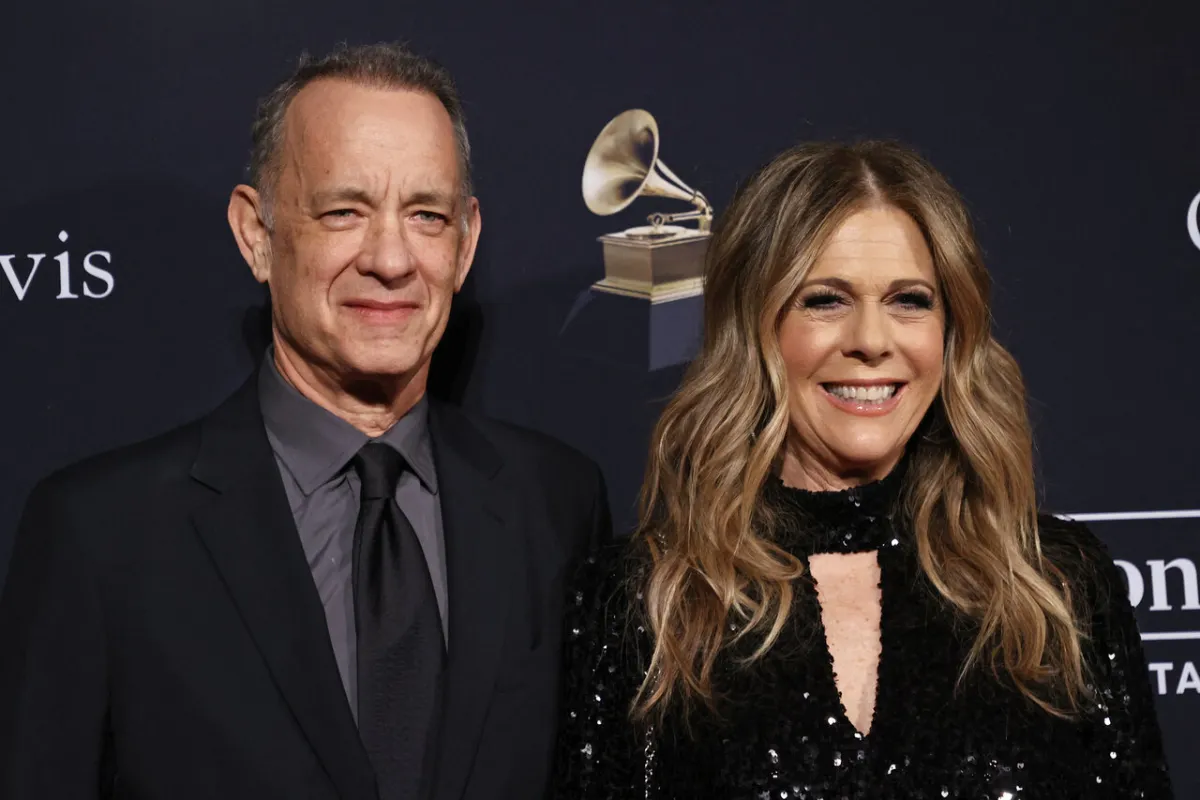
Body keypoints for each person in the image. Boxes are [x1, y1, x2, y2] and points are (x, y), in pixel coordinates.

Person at [0, 43, 610, 800]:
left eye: (426, 215)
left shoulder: (556, 504)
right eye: (343, 211)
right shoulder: (100, 534)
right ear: (257, 234)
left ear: (465, 242)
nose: (390, 258)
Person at [553, 141, 1172, 798]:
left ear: (951, 331)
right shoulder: (649, 598)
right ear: (754, 326)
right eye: (825, 300)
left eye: (910, 300)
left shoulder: (1059, 587)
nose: (873, 340)